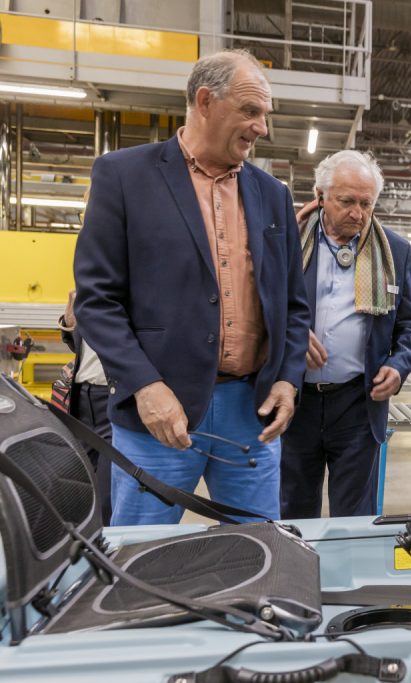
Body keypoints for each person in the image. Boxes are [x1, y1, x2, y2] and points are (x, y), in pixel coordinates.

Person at [73, 49, 310, 525]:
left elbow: (294, 305)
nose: (261, 127)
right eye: (250, 110)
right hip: (159, 413)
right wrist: (145, 386)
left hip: (251, 412)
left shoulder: (273, 195)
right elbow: (96, 299)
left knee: (260, 546)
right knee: (141, 549)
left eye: (264, 114)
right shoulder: (124, 176)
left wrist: (287, 379)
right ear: (205, 101)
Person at [280, 151, 411, 518]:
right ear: (320, 196)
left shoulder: (395, 252)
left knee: (355, 516)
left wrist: (398, 366)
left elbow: (410, 327)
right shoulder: (288, 242)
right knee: (293, 511)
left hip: (358, 404)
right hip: (295, 401)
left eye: (366, 203)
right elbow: (260, 307)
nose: (358, 213)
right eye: (346, 201)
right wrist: (291, 334)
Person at [58, 289, 113, 525]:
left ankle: (107, 547)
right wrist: (70, 323)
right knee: (78, 491)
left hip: (112, 399)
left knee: (107, 498)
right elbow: (85, 350)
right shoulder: (90, 287)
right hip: (82, 398)